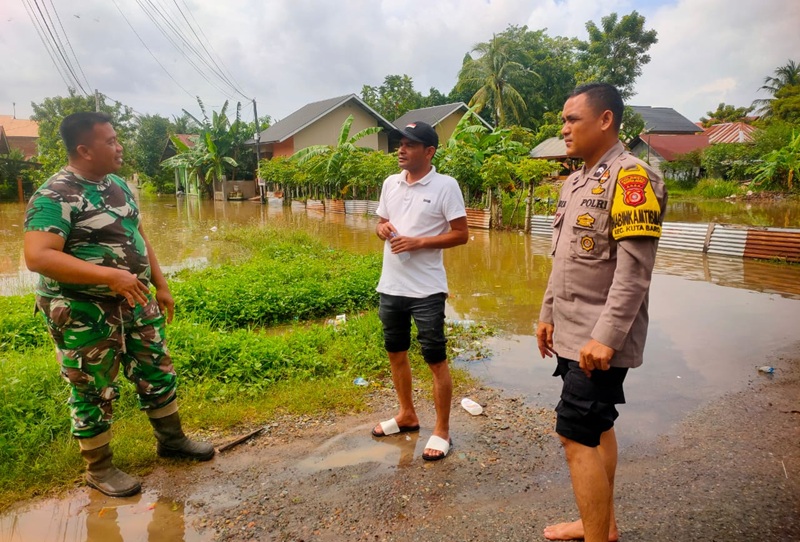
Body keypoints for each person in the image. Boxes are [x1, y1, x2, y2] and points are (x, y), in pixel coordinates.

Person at [23, 112, 214, 498]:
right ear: (84, 150)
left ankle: (172, 441)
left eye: (116, 138)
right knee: (92, 386)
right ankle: (100, 468)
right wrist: (109, 277)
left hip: (135, 299)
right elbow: (38, 256)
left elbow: (138, 234)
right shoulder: (54, 194)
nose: (119, 145)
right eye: (110, 140)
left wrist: (160, 284)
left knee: (156, 369)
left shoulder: (118, 186)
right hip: (82, 310)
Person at [535, 83, 667, 542]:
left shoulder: (634, 179)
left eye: (573, 119)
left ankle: (598, 537)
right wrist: (547, 312)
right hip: (571, 330)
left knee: (574, 434)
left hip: (600, 339)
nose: (564, 128)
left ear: (606, 120)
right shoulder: (575, 181)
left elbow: (634, 272)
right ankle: (601, 524)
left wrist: (606, 338)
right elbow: (565, 258)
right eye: (564, 120)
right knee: (598, 425)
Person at [371, 121, 468, 461]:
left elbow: (461, 234)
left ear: (429, 152)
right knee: (396, 352)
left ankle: (442, 430)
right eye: (400, 143)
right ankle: (407, 415)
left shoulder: (445, 186)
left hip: (427, 289)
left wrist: (420, 241)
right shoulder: (390, 183)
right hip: (391, 285)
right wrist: (383, 229)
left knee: (435, 359)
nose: (401, 149)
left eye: (410, 145)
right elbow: (380, 222)